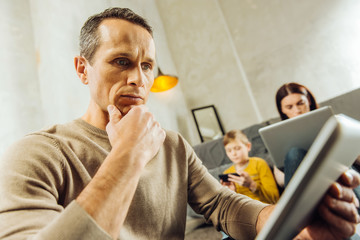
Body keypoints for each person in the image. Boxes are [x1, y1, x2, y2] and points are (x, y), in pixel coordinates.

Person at [0, 8, 358, 240]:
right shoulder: (38, 153)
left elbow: (225, 206)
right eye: (121, 61)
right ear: (83, 69)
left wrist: (299, 229)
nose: (139, 79)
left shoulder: (172, 145)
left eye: (147, 66)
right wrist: (129, 155)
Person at [273, 82, 319, 187]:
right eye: (289, 107)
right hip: (307, 183)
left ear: (309, 101)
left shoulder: (331, 121)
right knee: (294, 152)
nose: (297, 110)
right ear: (282, 110)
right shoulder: (278, 136)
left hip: (336, 170)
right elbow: (280, 181)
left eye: (301, 103)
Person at [220, 130, 279, 204]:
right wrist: (232, 194)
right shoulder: (227, 173)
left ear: (248, 146)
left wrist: (252, 185)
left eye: (237, 148)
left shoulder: (259, 163)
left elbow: (275, 198)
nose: (233, 153)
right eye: (229, 150)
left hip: (264, 207)